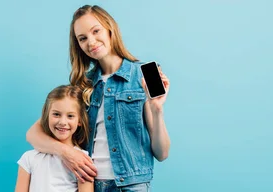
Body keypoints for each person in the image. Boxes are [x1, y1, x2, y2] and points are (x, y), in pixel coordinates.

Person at [26, 5, 171, 192]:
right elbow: (33, 135)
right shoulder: (82, 85)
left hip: (131, 185)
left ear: (110, 29)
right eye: (82, 38)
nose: (91, 42)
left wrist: (157, 110)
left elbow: (162, 153)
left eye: (96, 31)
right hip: (90, 184)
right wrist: (68, 153)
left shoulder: (141, 76)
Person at [15, 85, 93, 192]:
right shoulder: (29, 158)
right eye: (56, 114)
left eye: (70, 116)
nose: (62, 122)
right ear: (46, 116)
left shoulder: (83, 162)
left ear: (79, 120)